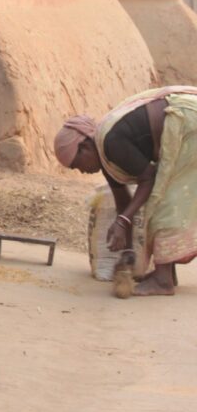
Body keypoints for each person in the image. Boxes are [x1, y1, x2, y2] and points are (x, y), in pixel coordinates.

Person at [54, 85, 197, 297]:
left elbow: (147, 179)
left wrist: (122, 221)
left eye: (77, 164)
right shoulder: (106, 158)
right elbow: (123, 201)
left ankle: (163, 280)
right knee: (161, 202)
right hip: (185, 122)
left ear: (85, 146)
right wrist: (128, 251)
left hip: (186, 123)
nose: (81, 171)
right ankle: (165, 274)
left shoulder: (111, 142)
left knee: (163, 204)